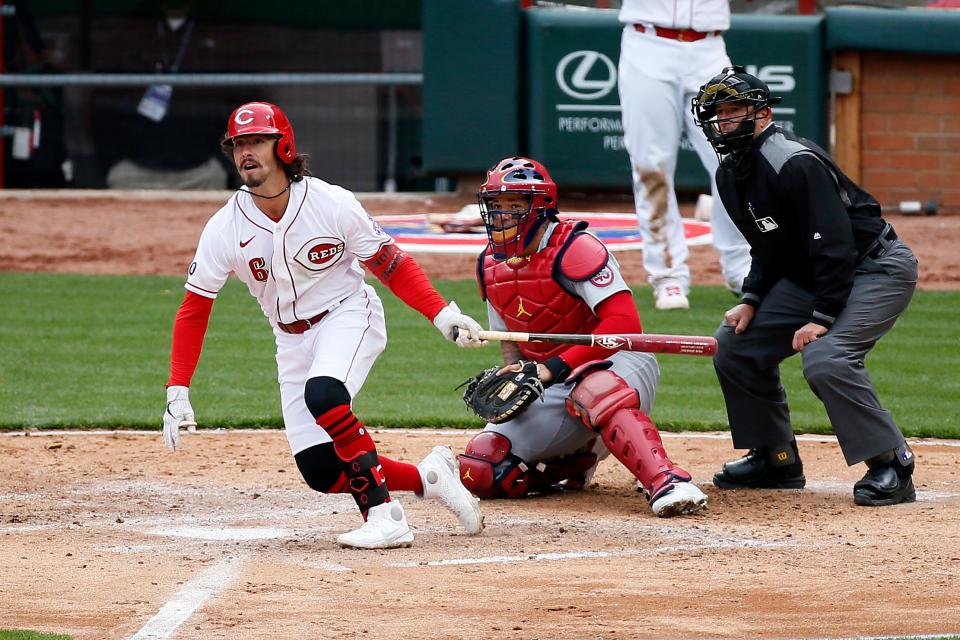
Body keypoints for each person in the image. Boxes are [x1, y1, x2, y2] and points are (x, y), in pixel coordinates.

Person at [162, 101, 486, 549]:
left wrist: (442, 313)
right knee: (322, 469)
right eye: (237, 144)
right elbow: (194, 307)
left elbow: (390, 263)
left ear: (284, 145)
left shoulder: (331, 204)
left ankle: (385, 516)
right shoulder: (225, 227)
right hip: (289, 338)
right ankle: (431, 478)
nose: (245, 152)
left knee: (325, 394)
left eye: (256, 141)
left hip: (348, 314)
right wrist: (177, 388)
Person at [691, 66, 918, 506]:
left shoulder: (793, 161)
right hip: (813, 273)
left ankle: (892, 463)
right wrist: (752, 299)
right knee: (736, 345)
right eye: (717, 114)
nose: (722, 122)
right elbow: (768, 245)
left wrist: (821, 318)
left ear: (763, 115)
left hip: (874, 267)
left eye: (733, 111)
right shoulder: (731, 173)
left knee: (827, 358)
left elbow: (833, 246)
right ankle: (775, 458)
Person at [455, 156, 708, 518]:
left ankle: (667, 480)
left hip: (615, 363)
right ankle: (574, 462)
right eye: (496, 206)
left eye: (514, 205)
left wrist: (551, 368)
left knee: (596, 391)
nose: (503, 215)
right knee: (482, 468)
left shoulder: (576, 248)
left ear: (540, 207)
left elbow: (623, 323)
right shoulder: (490, 265)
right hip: (554, 383)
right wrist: (518, 375)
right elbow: (511, 339)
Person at [617, 0, 752, 310]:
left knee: (733, 157)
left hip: (708, 46)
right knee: (652, 165)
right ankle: (668, 275)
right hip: (647, 42)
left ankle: (740, 266)